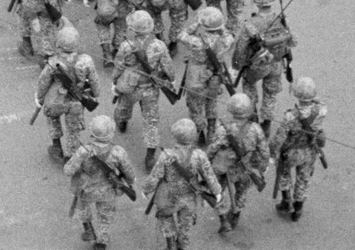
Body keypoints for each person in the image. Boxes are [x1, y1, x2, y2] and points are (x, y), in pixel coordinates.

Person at [112, 10, 176, 170]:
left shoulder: (126, 46)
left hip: (129, 87)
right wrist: (172, 80)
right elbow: (168, 66)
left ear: (132, 28)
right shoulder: (159, 45)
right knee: (151, 121)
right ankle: (150, 156)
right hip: (150, 88)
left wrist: (114, 82)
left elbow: (118, 66)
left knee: (123, 108)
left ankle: (122, 122)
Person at [143, 118, 220, 250]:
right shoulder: (199, 155)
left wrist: (146, 189)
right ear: (194, 135)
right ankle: (182, 245)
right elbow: (209, 175)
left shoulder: (166, 155)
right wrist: (217, 191)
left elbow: (155, 176)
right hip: (189, 197)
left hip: (169, 197)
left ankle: (171, 243)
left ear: (175, 135)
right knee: (185, 225)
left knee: (164, 215)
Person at [62, 114, 136, 250]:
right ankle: (102, 242)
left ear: (92, 132)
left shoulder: (83, 151)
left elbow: (68, 170)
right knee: (105, 217)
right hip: (108, 190)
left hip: (86, 189)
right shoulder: (118, 152)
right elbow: (129, 173)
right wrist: (129, 183)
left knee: (82, 207)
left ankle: (88, 228)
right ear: (112, 133)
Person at [232, 0, 296, 135]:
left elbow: (240, 47)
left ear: (257, 2)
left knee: (249, 87)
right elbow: (292, 41)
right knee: (270, 94)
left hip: (257, 65)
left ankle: (252, 118)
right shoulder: (281, 19)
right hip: (276, 62)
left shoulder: (251, 24)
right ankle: (267, 124)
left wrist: (237, 65)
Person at [36, 22, 100, 162]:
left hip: (56, 100)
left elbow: (43, 82)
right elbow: (94, 81)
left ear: (59, 43)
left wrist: (39, 98)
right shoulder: (86, 61)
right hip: (76, 101)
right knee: (73, 129)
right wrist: (95, 95)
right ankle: (71, 155)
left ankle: (56, 146)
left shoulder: (53, 62)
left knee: (51, 116)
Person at [206, 91, 269, 232]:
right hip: (246, 168)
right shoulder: (256, 129)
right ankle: (235, 214)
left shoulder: (223, 130)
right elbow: (264, 151)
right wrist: (262, 168)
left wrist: (206, 164)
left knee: (217, 192)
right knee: (241, 192)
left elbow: (212, 149)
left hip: (225, 169)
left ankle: (223, 218)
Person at [269, 76, 327, 221]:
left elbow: (279, 138)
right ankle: (298, 208)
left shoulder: (290, 116)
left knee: (283, 172)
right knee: (304, 178)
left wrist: (272, 153)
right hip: (309, 150)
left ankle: (286, 200)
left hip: (291, 152)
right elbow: (319, 102)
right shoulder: (322, 110)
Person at [179, 6, 235, 146]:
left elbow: (181, 35)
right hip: (214, 77)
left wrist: (197, 23)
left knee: (195, 106)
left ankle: (200, 132)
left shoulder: (196, 41)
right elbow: (227, 33)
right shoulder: (227, 40)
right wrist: (221, 27)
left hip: (196, 77)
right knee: (211, 101)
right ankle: (211, 130)